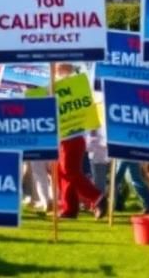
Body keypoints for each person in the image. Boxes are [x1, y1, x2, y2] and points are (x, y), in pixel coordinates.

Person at [54, 64, 106, 220]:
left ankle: (97, 197)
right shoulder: (61, 84)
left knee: (69, 171)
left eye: (58, 69)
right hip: (64, 136)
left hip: (73, 135)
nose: (56, 71)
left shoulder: (75, 84)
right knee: (63, 172)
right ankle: (69, 208)